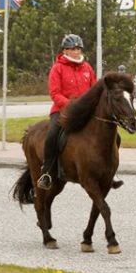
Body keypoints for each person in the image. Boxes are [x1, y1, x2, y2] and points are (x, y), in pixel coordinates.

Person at [37, 34, 123, 191]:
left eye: (78, 48)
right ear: (66, 51)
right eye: (72, 49)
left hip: (86, 112)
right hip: (62, 111)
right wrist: (71, 105)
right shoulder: (58, 68)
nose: (76, 51)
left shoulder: (87, 68)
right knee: (52, 136)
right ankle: (47, 172)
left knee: (115, 136)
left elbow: (94, 90)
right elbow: (55, 93)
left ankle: (111, 172)